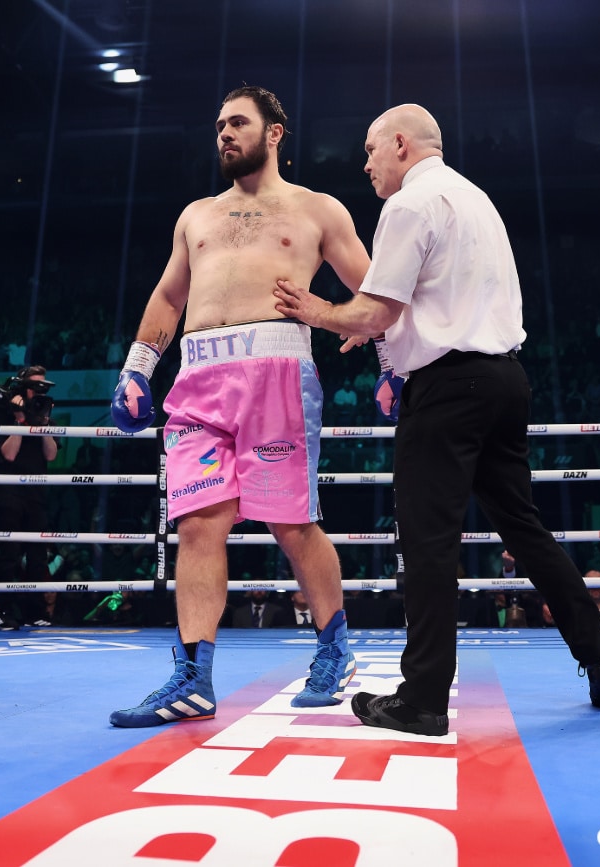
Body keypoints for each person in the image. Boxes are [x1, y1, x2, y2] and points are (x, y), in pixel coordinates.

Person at [273, 103, 600, 737]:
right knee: (525, 529)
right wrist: (377, 323)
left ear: (402, 145)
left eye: (371, 149)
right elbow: (432, 300)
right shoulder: (475, 198)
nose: (366, 163)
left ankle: (424, 699)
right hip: (504, 379)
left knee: (428, 542)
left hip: (448, 389)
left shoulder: (408, 205)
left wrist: (320, 312)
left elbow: (378, 311)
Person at [107, 85, 372, 727]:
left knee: (291, 524)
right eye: (219, 124)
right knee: (197, 524)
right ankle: (193, 679)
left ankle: (335, 651)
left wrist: (389, 363)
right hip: (198, 376)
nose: (224, 134)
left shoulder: (317, 210)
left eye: (238, 123)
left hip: (277, 372)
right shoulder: (196, 215)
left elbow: (373, 291)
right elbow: (169, 298)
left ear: (274, 133)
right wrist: (138, 368)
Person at [0, 365, 59, 631]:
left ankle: (36, 612)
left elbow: (51, 455)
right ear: (23, 387)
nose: (38, 392)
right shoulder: (5, 412)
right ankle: (4, 613)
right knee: (9, 555)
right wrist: (19, 420)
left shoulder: (43, 413)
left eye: (43, 387)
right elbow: (9, 454)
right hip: (9, 493)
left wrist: (43, 424)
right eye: (35, 386)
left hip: (36, 493)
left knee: (38, 556)